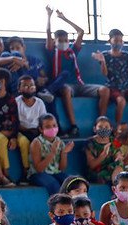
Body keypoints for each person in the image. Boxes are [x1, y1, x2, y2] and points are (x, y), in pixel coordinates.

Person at [44, 7, 109, 136]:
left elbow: (80, 32)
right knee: (66, 90)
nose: (63, 43)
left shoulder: (72, 51)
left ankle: (100, 124)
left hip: (80, 84)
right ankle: (74, 126)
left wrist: (64, 18)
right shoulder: (53, 51)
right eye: (60, 41)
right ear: (54, 41)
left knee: (105, 90)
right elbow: (48, 32)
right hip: (65, 86)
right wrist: (49, 16)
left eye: (66, 40)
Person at [91, 29, 128, 132]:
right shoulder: (105, 55)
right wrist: (103, 62)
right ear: (110, 41)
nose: (118, 43)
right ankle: (118, 128)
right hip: (113, 88)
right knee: (121, 101)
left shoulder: (127, 55)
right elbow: (105, 73)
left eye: (120, 40)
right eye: (116, 40)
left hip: (126, 87)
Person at [28, 114, 75, 195]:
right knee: (54, 185)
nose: (52, 128)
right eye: (48, 127)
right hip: (37, 174)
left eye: (54, 125)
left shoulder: (59, 142)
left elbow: (62, 167)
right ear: (41, 129)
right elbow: (39, 169)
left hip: (55, 172)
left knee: (73, 183)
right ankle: (57, 206)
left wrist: (64, 153)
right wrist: (52, 153)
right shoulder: (36, 143)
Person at [15, 75, 47, 182]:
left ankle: (43, 170)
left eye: (32, 85)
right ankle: (26, 171)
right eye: (25, 86)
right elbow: (15, 122)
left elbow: (44, 120)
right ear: (19, 89)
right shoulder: (16, 102)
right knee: (24, 142)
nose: (29, 88)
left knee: (41, 142)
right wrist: (24, 130)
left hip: (36, 131)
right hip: (21, 131)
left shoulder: (40, 103)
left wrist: (39, 130)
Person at [0, 68, 20, 187]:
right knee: (0, 139)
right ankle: (3, 174)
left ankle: (5, 174)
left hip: (7, 132)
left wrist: (13, 136)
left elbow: (15, 120)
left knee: (3, 140)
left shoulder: (10, 100)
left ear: (2, 82)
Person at [85, 116, 124, 183]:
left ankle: (117, 185)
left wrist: (118, 157)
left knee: (119, 166)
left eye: (106, 127)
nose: (103, 129)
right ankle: (117, 186)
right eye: (100, 127)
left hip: (112, 169)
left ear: (111, 129)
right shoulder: (90, 143)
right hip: (97, 172)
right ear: (94, 129)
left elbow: (118, 156)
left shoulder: (114, 141)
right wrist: (104, 154)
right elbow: (91, 165)